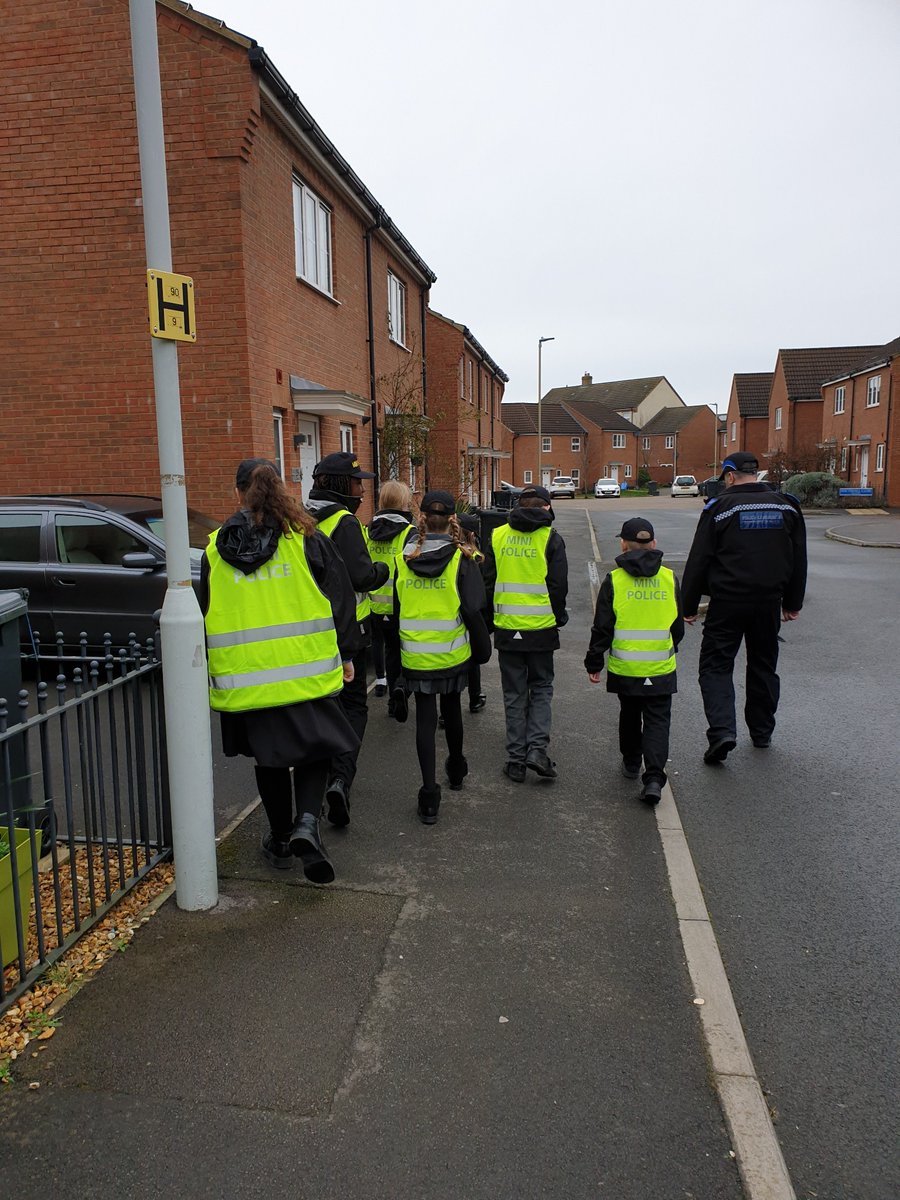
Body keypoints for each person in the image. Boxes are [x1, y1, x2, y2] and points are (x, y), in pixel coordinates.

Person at [202, 459, 361, 883]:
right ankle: (307, 822)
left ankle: (280, 838)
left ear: (237, 492)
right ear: (282, 489)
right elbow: (340, 597)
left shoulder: (216, 548)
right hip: (306, 671)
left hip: (246, 679)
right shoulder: (306, 538)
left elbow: (206, 610)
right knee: (316, 749)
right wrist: (347, 653)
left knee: (268, 758)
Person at [681, 450, 807, 763]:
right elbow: (798, 558)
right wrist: (792, 602)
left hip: (728, 603)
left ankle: (723, 730)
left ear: (729, 476)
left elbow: (700, 559)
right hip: (768, 602)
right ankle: (762, 732)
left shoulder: (719, 508)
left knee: (716, 666)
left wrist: (689, 604)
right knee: (763, 666)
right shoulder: (787, 507)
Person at [392, 490, 491, 824]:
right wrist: (482, 650)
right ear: (454, 521)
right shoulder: (461, 558)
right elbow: (474, 607)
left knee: (425, 721)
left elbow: (397, 608)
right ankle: (457, 767)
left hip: (415, 655)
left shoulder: (403, 558)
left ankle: (429, 794)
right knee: (451, 710)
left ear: (421, 519)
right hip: (451, 653)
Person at [305, 451, 389, 823]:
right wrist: (382, 570)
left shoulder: (302, 518)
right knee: (353, 708)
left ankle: (316, 785)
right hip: (349, 630)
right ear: (341, 486)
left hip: (310, 631)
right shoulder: (345, 522)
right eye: (357, 483)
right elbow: (361, 577)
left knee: (321, 709)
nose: (361, 489)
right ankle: (340, 779)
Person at [584, 517, 684, 804]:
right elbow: (676, 625)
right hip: (660, 666)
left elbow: (603, 625)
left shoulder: (614, 580)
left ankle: (631, 761)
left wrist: (594, 662)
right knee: (657, 720)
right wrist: (670, 646)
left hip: (626, 667)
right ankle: (653, 777)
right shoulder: (668, 577)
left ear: (623, 544)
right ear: (653, 544)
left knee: (629, 713)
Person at [482, 484, 568, 783]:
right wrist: (558, 616)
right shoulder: (551, 538)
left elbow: (488, 581)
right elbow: (558, 586)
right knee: (542, 688)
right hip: (541, 629)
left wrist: (490, 620)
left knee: (514, 693)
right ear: (545, 507)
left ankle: (516, 760)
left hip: (507, 628)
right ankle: (537, 750)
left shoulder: (498, 535)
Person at [366, 480, 417, 715]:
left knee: (382, 645)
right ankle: (400, 688)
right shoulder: (409, 532)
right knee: (402, 649)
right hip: (400, 602)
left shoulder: (369, 529)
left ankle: (382, 683)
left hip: (374, 602)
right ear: (403, 501)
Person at [458, 512, 487, 714]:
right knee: (473, 659)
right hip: (472, 613)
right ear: (472, 536)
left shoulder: (450, 555)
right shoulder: (476, 557)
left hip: (453, 614)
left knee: (455, 662)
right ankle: (475, 697)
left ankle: (446, 710)